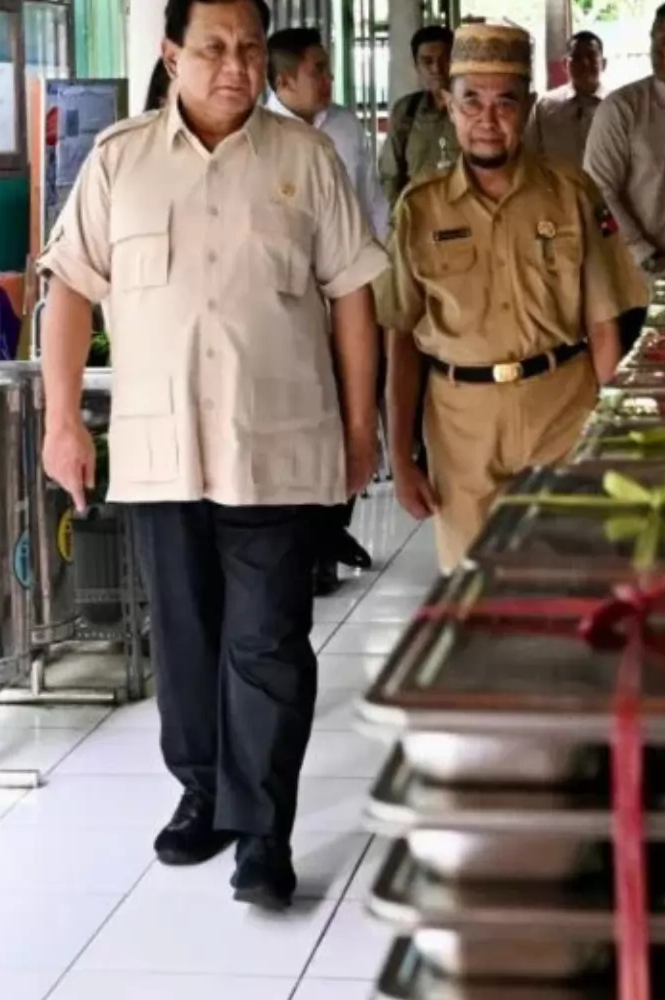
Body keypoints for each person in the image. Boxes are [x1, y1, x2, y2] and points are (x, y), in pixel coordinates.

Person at [37, 0, 386, 908]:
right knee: (185, 638)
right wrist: (61, 421)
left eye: (251, 49)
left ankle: (264, 833)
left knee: (268, 641)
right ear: (171, 54)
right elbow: (69, 286)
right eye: (215, 48)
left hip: (280, 445)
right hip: (160, 452)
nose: (236, 66)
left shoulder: (305, 159)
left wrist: (362, 429)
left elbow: (354, 296)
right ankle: (202, 793)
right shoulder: (120, 160)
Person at [384, 23, 648, 571]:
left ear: (528, 106)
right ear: (448, 105)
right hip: (461, 427)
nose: (488, 119)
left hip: (562, 411)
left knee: (570, 580)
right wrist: (401, 457)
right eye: (471, 101)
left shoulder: (571, 193)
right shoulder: (419, 209)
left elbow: (604, 326)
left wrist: (617, 434)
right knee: (475, 588)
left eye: (505, 102)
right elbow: (401, 339)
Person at [266, 26, 386, 593]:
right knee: (307, 415)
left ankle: (332, 530)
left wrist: (380, 272)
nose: (329, 79)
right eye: (318, 70)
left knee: (352, 402)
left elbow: (371, 202)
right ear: (285, 79)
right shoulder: (257, 134)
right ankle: (309, 543)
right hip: (292, 304)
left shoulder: (345, 127)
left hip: (350, 292)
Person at [585, 0, 665, 349]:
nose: (656, 52)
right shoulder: (623, 108)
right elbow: (598, 190)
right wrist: (647, 254)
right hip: (639, 282)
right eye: (654, 39)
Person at [381, 25, 457, 206]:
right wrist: (398, 215)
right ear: (417, 66)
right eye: (427, 61)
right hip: (417, 214)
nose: (436, 68)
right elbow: (390, 175)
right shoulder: (406, 111)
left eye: (444, 59)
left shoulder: (472, 110)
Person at [526, 30, 605, 169]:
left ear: (603, 63)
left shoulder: (616, 105)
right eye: (577, 57)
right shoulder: (544, 106)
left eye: (591, 56)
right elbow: (530, 153)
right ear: (565, 64)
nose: (585, 63)